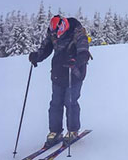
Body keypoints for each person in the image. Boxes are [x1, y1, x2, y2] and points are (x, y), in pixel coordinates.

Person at [29, 15, 91, 146]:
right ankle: (55, 132)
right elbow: (46, 48)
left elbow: (84, 52)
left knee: (70, 101)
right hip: (58, 72)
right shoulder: (52, 32)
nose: (56, 36)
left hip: (74, 73)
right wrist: (37, 57)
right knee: (55, 103)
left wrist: (76, 60)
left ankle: (73, 130)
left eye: (58, 33)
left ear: (63, 26)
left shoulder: (77, 32)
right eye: (54, 34)